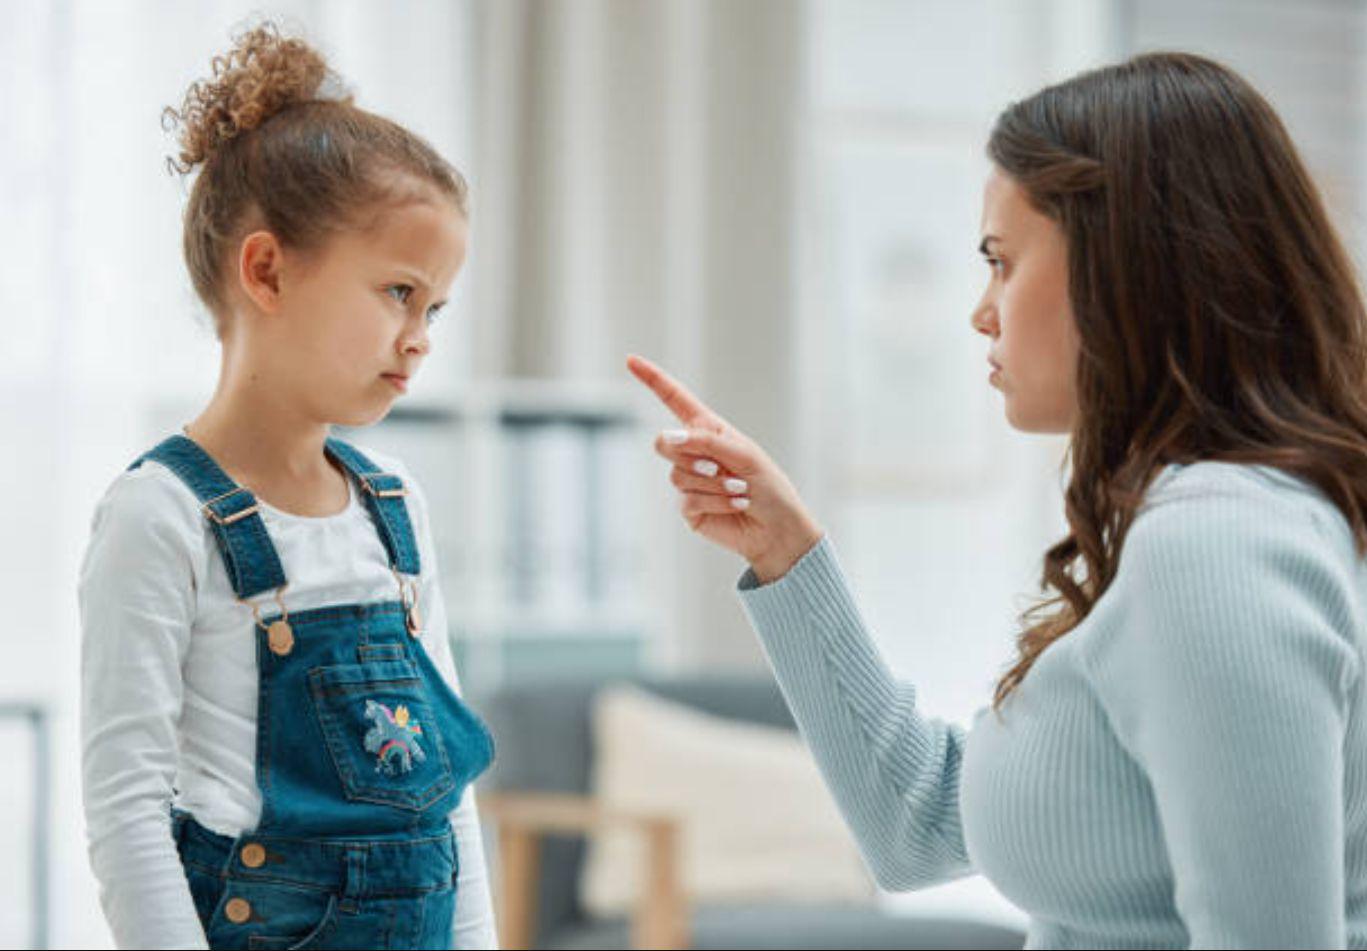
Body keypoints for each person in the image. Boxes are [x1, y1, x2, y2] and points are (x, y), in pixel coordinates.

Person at [628, 50, 1367, 949]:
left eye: (1001, 262)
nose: (982, 312)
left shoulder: (1217, 544)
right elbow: (919, 825)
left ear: (1122, 265)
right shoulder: (1210, 525)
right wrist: (786, 554)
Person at [77, 19, 496, 950]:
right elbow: (127, 813)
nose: (421, 334)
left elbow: (446, 802)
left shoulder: (396, 512)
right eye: (397, 292)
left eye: (434, 306)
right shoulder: (160, 516)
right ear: (265, 270)